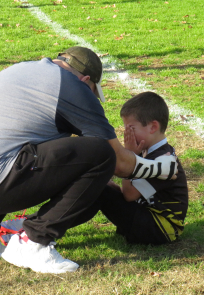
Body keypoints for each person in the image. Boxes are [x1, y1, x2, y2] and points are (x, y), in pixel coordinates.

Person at [0, 47, 177, 274]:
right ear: (86, 81)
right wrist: (160, 167)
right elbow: (118, 163)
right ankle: (35, 241)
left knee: (26, 143)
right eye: (93, 92)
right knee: (100, 153)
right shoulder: (74, 88)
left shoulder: (23, 69)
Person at [75, 92, 188, 245]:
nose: (126, 133)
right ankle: (49, 223)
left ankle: (49, 227)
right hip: (149, 218)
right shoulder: (149, 151)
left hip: (160, 229)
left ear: (153, 127)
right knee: (101, 184)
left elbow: (129, 195)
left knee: (101, 190)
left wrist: (130, 157)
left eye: (131, 128)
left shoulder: (163, 160)